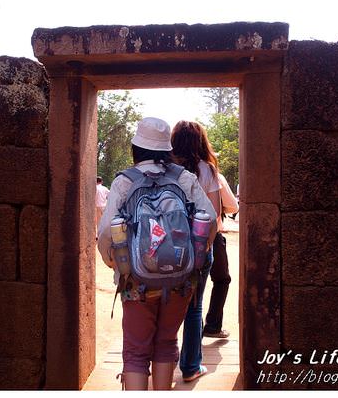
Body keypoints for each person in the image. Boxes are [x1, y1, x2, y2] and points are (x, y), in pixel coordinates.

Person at [97, 117, 217, 391]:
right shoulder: (184, 178)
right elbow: (208, 219)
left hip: (136, 283)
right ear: (166, 149)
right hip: (180, 281)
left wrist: (116, 263)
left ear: (136, 148)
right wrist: (194, 254)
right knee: (166, 344)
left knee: (137, 352)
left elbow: (105, 233)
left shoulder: (125, 182)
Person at [170, 120, 222, 382]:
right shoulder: (207, 170)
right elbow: (214, 215)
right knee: (194, 307)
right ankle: (190, 366)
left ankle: (159, 363)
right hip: (200, 247)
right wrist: (206, 248)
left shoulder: (166, 168)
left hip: (167, 248)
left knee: (164, 303)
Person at [204, 172, 238, 339]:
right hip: (211, 235)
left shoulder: (176, 172)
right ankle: (213, 325)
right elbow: (233, 206)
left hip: (180, 237)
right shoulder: (213, 175)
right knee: (221, 279)